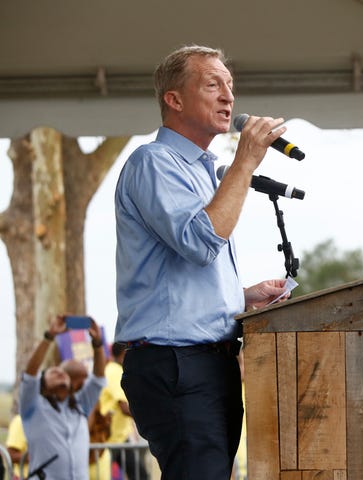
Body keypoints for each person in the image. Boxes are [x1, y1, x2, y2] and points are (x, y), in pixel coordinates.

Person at [114, 44, 290, 480]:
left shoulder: (202, 170)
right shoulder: (153, 162)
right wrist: (246, 162)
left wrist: (240, 295)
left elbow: (187, 268)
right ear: (174, 100)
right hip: (177, 362)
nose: (229, 97)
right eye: (213, 85)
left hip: (208, 360)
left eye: (230, 86)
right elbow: (202, 240)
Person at [19, 314, 106, 480]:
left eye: (63, 373)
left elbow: (98, 379)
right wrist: (49, 337)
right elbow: (30, 376)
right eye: (53, 372)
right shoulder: (32, 407)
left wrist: (97, 343)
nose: (60, 372)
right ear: (42, 385)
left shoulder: (81, 406)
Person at [99, 342, 148, 479]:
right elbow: (124, 407)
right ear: (124, 353)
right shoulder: (114, 371)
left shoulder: (114, 370)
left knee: (140, 475)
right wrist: (149, 419)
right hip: (109, 439)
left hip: (120, 439)